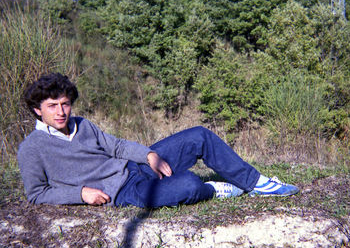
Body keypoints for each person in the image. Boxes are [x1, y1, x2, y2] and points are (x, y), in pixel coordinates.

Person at [17, 73, 299, 208]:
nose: (61, 111)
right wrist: (81, 194)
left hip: (134, 166)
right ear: (37, 109)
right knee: (190, 185)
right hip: (123, 193)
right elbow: (37, 193)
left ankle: (256, 183)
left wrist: (149, 155)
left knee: (199, 135)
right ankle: (212, 189)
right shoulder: (31, 148)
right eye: (53, 105)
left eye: (65, 104)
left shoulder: (82, 125)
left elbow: (116, 146)